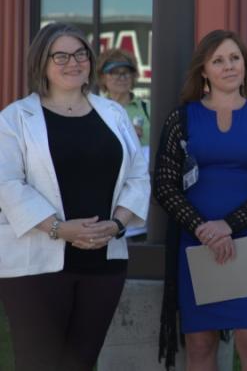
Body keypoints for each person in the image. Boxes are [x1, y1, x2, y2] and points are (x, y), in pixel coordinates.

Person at [0, 23, 150, 371]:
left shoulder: (113, 114)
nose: (74, 63)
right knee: (38, 362)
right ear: (42, 62)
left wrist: (117, 225)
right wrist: (60, 229)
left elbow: (139, 176)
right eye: (62, 55)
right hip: (35, 263)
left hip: (104, 260)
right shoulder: (15, 118)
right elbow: (7, 184)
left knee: (81, 363)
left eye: (81, 54)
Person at [153, 30, 247, 371]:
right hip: (195, 242)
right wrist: (204, 229)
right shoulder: (181, 119)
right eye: (218, 60)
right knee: (200, 344)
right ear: (203, 71)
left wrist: (226, 226)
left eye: (235, 58)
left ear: (245, 64)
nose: (229, 66)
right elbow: (165, 186)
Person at [96, 47, 151, 151]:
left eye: (126, 72)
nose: (122, 77)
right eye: (115, 72)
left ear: (133, 76)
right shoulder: (96, 111)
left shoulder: (148, 109)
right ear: (102, 77)